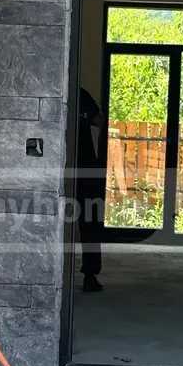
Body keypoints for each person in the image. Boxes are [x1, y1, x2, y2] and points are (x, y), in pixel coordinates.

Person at [76, 87, 106, 292]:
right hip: (84, 167)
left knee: (90, 220)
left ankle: (90, 274)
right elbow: (99, 121)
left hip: (83, 167)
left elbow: (99, 121)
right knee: (90, 221)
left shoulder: (80, 95)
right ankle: (90, 274)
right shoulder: (81, 95)